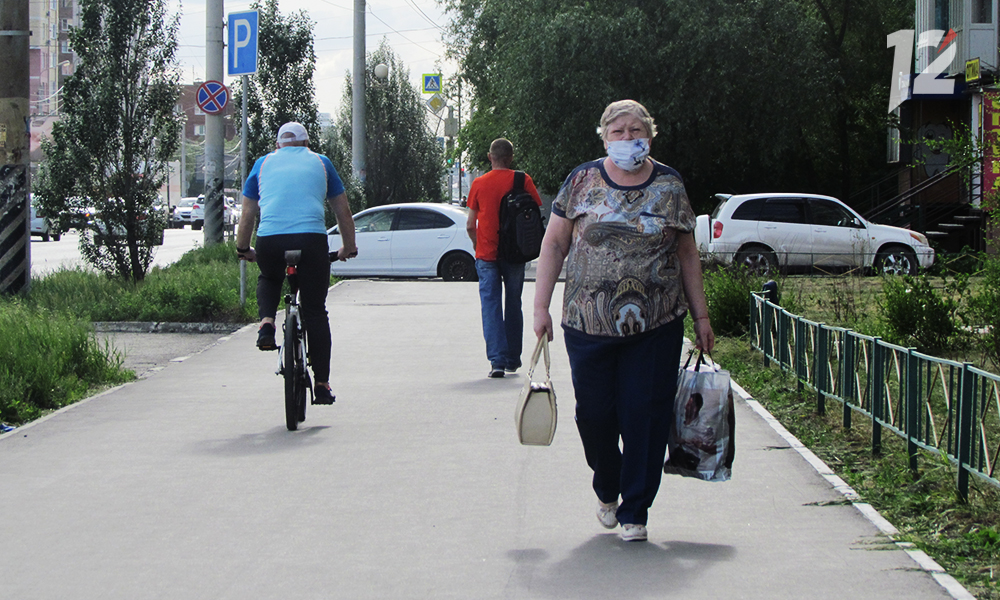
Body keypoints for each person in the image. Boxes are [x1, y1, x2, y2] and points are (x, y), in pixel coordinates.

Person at [532, 100, 715, 542]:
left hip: (656, 323)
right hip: (587, 321)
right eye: (618, 131)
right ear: (604, 136)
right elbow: (554, 244)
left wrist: (701, 315)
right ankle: (607, 485)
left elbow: (687, 252)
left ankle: (636, 509)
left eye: (636, 130)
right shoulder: (581, 180)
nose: (627, 137)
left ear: (649, 135)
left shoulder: (669, 184)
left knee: (645, 416)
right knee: (594, 416)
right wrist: (539, 307)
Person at [235, 122, 357, 405]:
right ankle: (323, 385)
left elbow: (248, 213)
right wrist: (348, 248)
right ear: (306, 144)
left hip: (270, 241)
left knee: (270, 276)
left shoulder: (262, 164)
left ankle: (266, 324)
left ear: (278, 145)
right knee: (315, 311)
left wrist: (243, 248)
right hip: (311, 241)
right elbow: (343, 210)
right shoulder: (321, 162)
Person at [466, 138, 543, 378]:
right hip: (516, 253)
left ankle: (497, 362)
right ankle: (512, 359)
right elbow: (534, 211)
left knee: (490, 306)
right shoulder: (523, 180)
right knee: (513, 303)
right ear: (511, 157)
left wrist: (479, 246)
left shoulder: (479, 183)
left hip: (487, 255)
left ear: (490, 157)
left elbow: (470, 224)